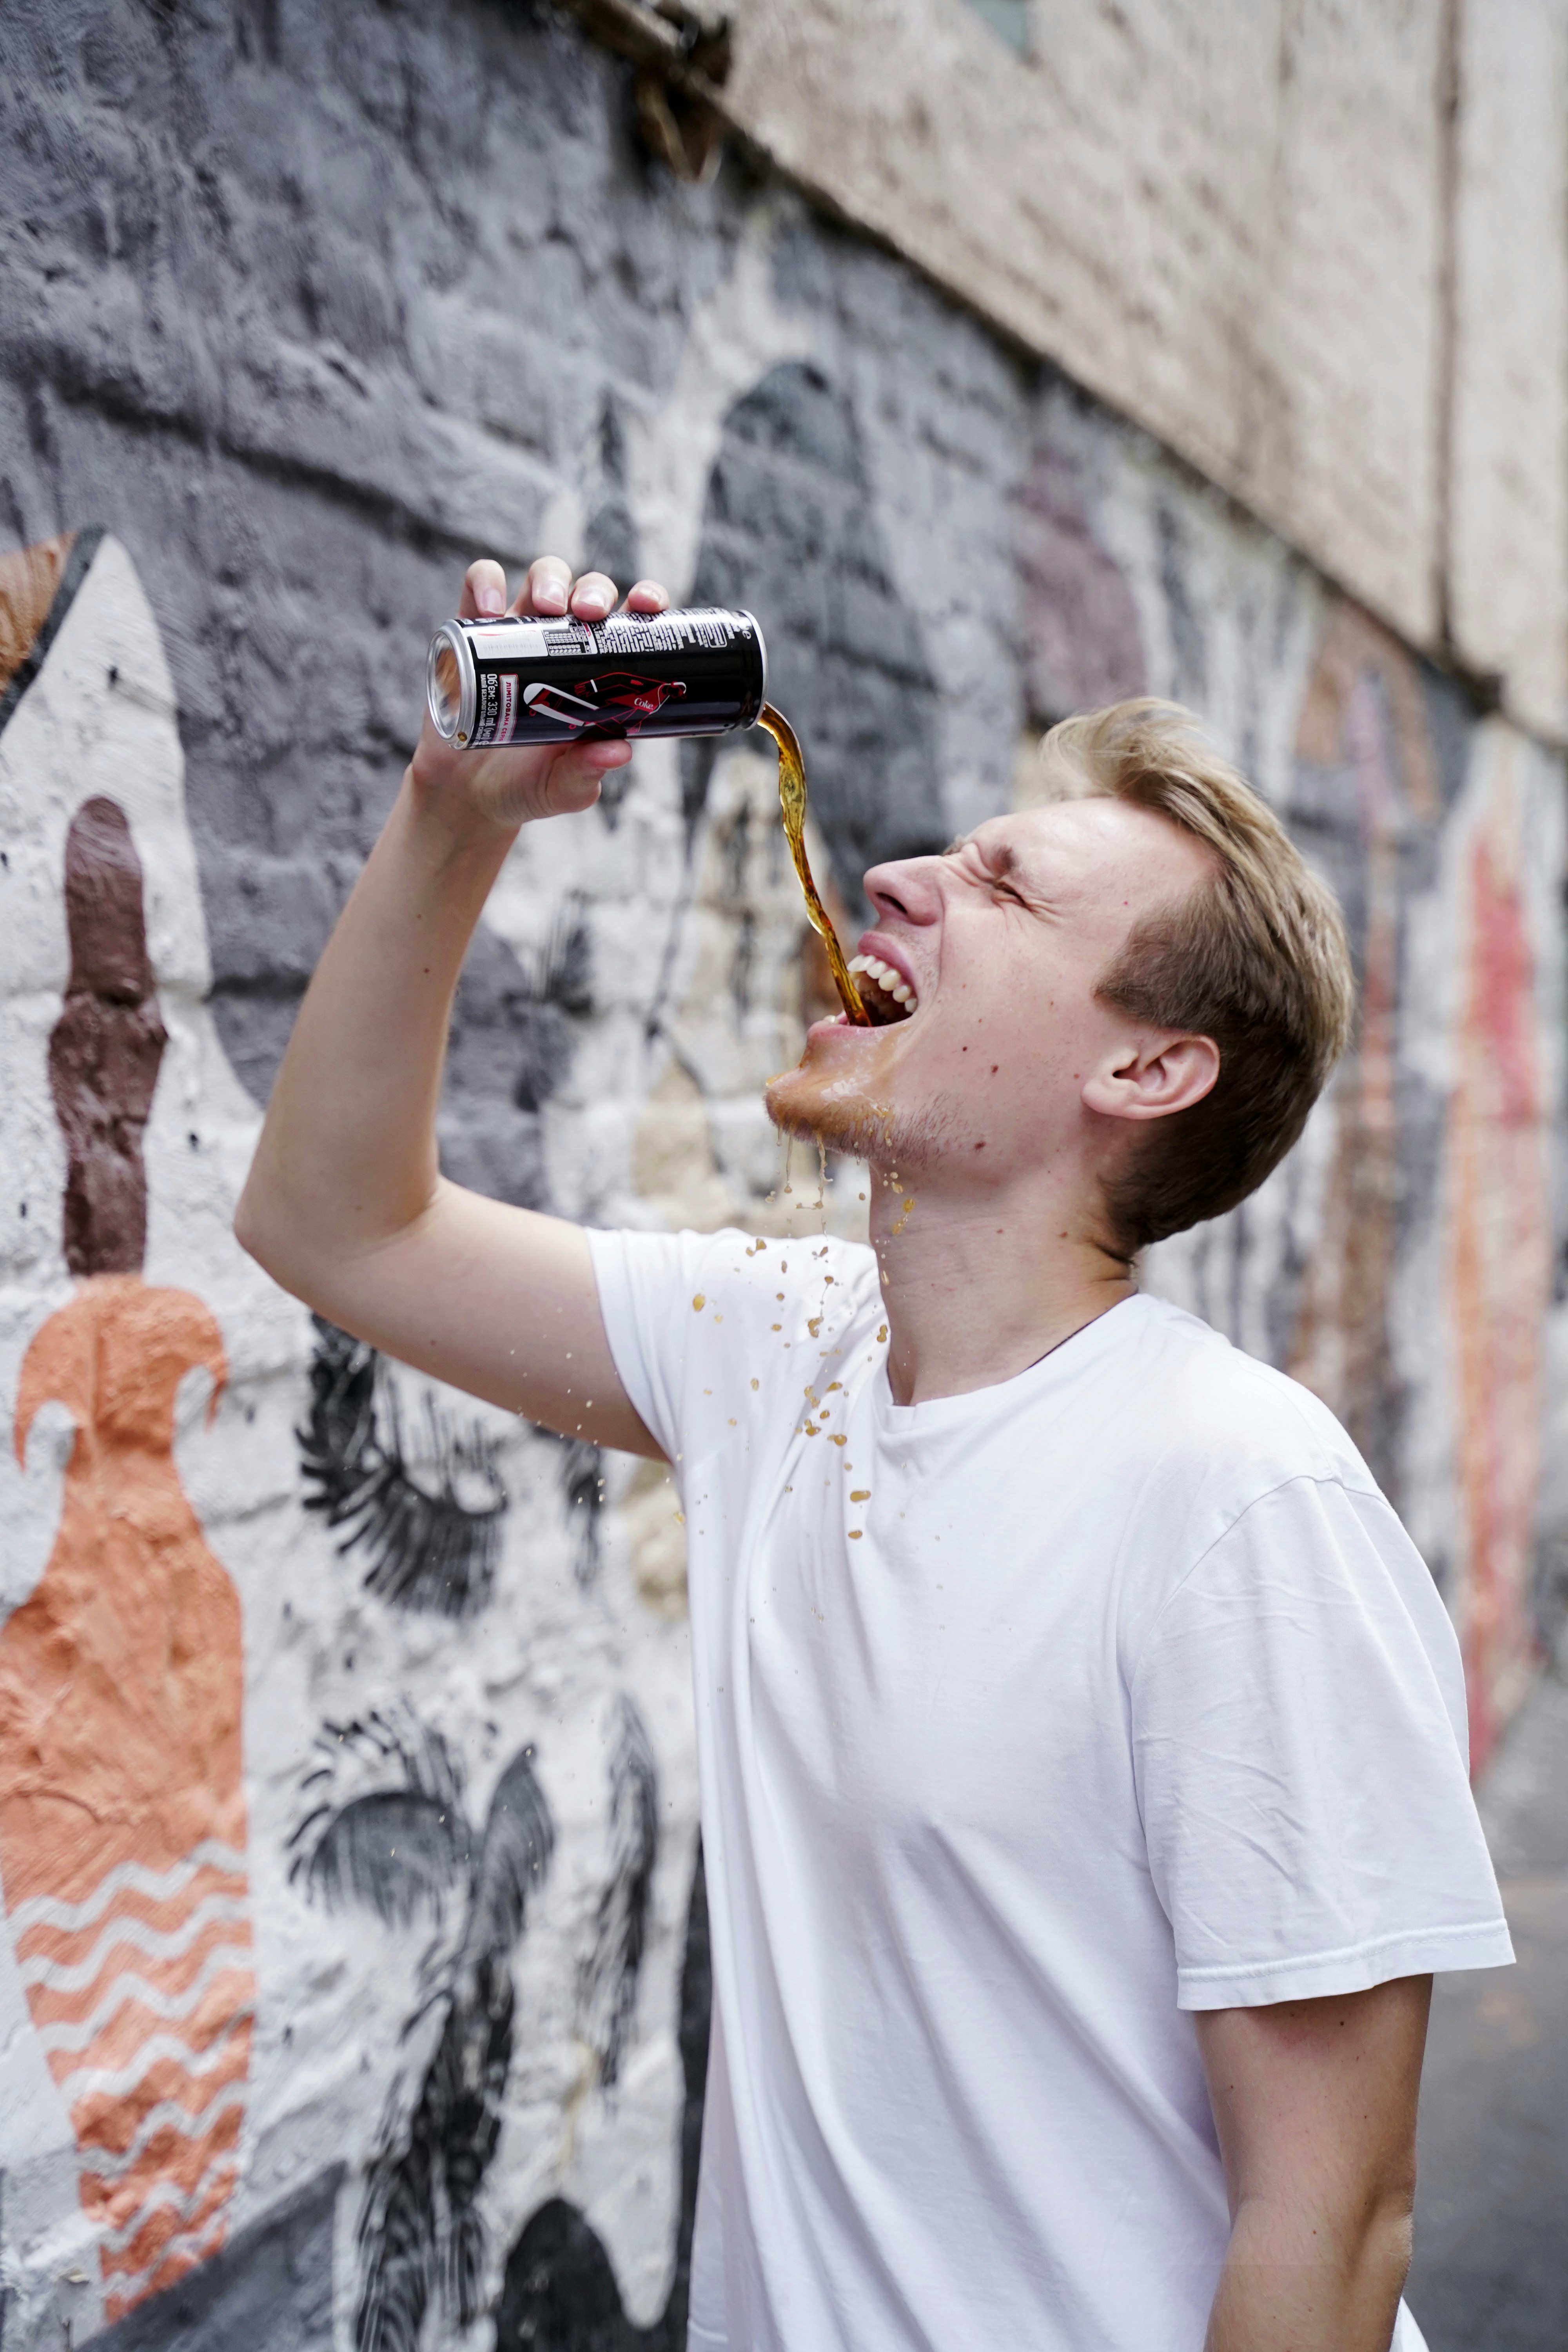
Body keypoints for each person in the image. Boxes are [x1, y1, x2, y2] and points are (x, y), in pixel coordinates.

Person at [237, 555, 1513, 2352]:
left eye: (1008, 885)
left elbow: (1332, 2217)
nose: (909, 870)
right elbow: (332, 1225)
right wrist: (457, 815)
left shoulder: (1237, 1499)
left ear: (1148, 1072)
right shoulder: (777, 1351)